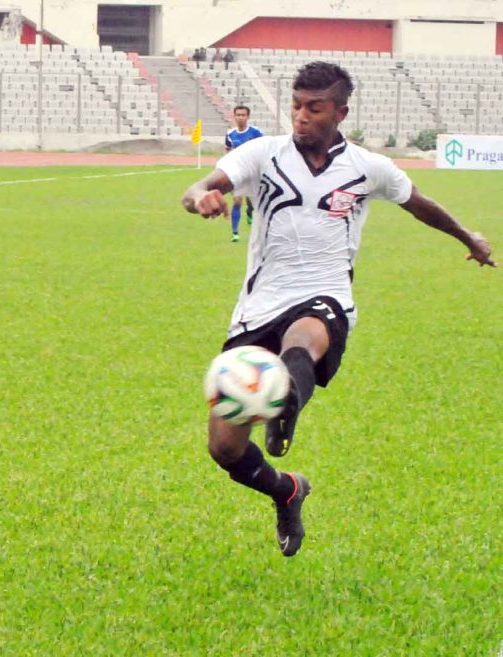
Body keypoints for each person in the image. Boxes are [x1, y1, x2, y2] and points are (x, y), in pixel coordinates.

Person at [181, 61, 495, 558]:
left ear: (340, 112)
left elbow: (421, 204)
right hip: (258, 306)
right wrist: (204, 197)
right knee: (224, 448)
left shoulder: (368, 167)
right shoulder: (264, 154)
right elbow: (199, 186)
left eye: (315, 107)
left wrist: (468, 236)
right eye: (297, 106)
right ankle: (287, 490)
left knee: (302, 340)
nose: (302, 116)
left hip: (325, 296)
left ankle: (284, 407)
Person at [223, 105, 263, 242]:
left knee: (251, 201)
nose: (240, 117)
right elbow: (227, 150)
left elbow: (263, 149)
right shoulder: (230, 134)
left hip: (252, 173)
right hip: (237, 173)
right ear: (234, 116)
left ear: (248, 117)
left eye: (243, 115)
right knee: (237, 201)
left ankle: (249, 211)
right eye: (238, 115)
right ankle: (235, 232)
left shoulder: (256, 133)